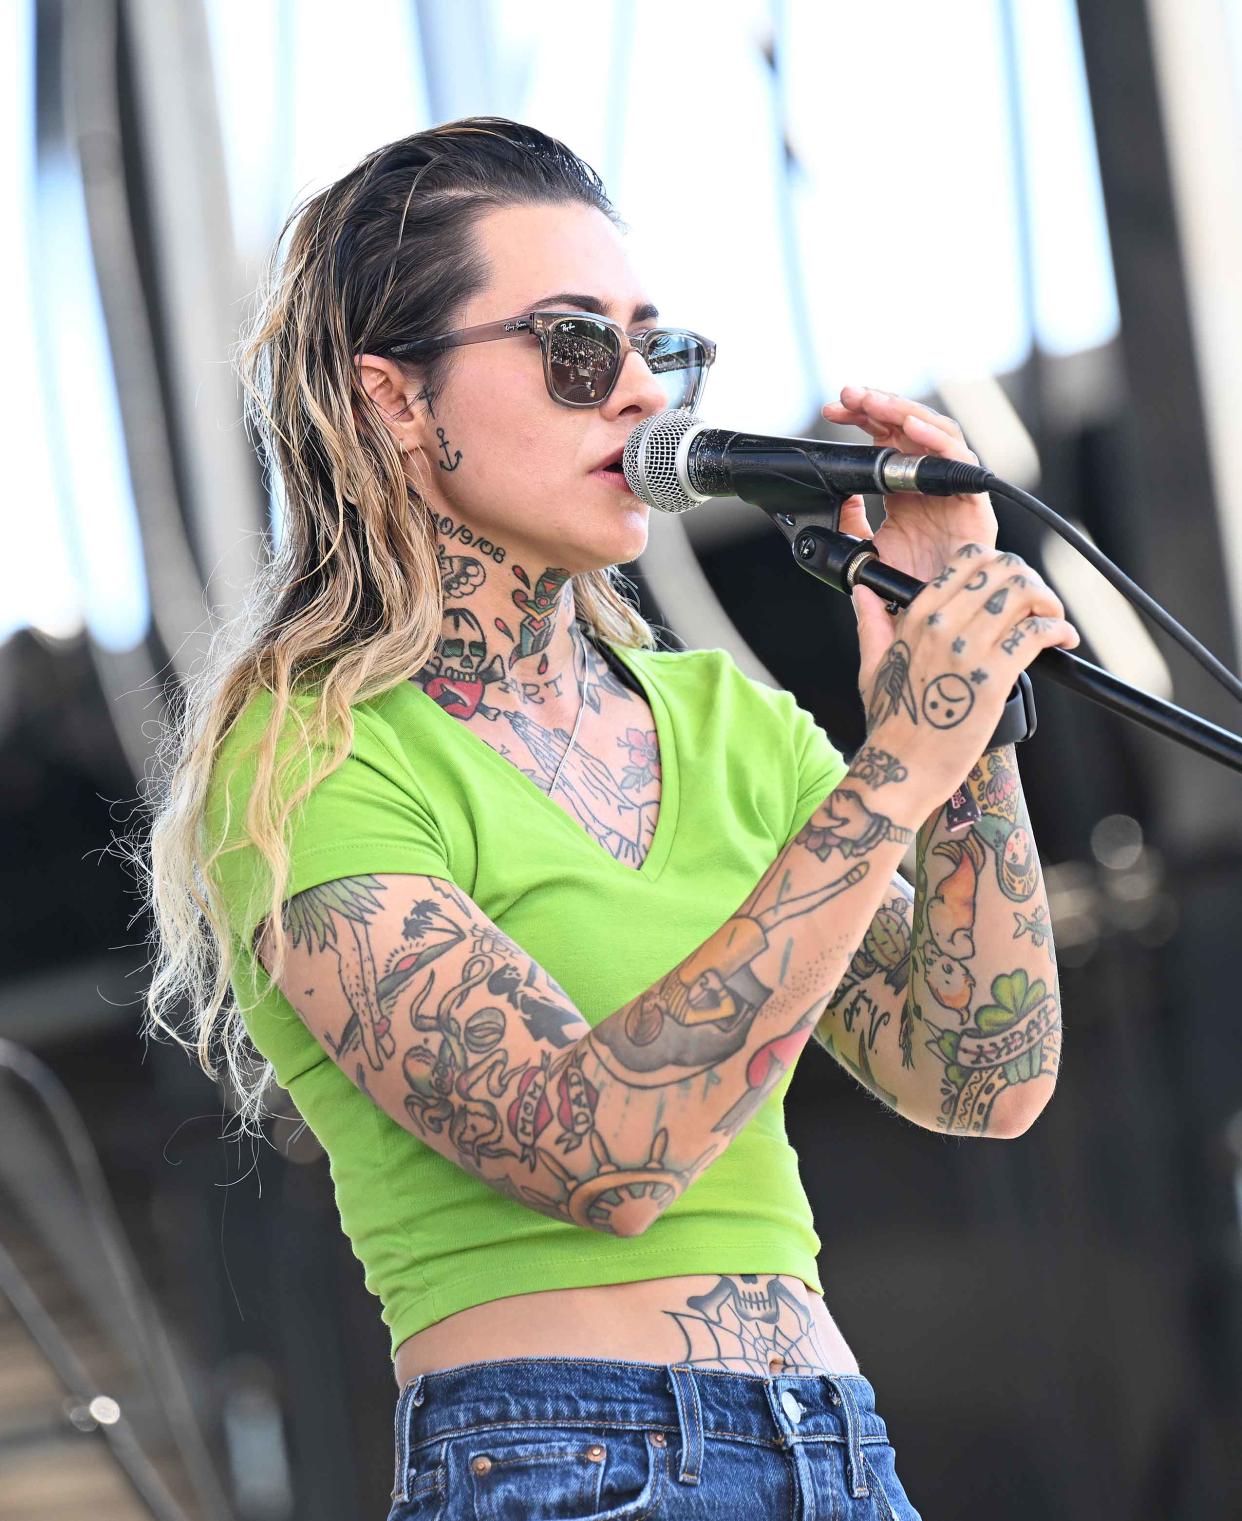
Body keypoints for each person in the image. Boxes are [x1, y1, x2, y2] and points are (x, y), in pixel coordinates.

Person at [140, 117, 1077, 1520]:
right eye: (575, 346)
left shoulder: (724, 722)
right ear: (395, 401)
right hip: (565, 1455)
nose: (637, 392)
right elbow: (599, 1151)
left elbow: (977, 1073)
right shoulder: (309, 752)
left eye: (658, 348)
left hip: (839, 1449)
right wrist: (896, 768)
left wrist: (967, 719)